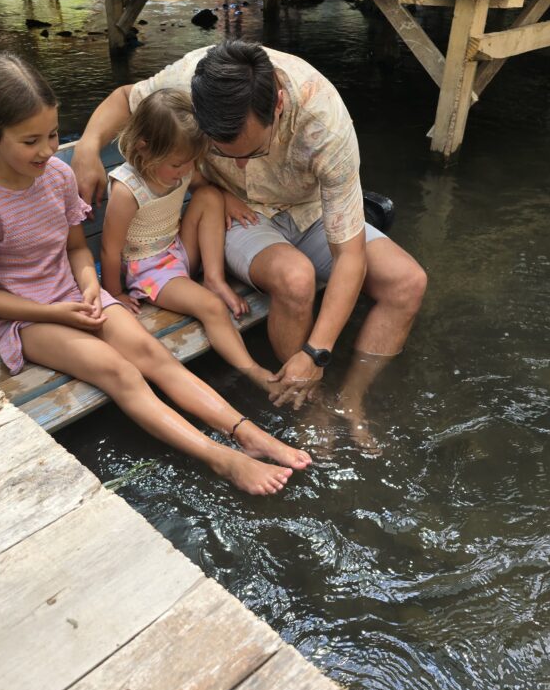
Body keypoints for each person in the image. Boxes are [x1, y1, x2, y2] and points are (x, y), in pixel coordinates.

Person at [0, 53, 311, 495]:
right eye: (30, 141)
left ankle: (244, 430)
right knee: (120, 372)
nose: (47, 150)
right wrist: (62, 311)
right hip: (26, 319)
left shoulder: (57, 176)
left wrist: (91, 284)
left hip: (78, 297)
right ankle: (223, 459)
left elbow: (78, 248)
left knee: (155, 355)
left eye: (54, 135)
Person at [72, 41, 427, 414]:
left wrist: (316, 352)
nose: (239, 166)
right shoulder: (192, 81)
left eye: (253, 152)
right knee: (296, 279)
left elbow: (349, 255)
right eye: (222, 151)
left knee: (407, 282)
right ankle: (307, 405)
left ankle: (354, 400)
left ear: (277, 105)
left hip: (309, 209)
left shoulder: (326, 125)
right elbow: (127, 97)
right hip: (238, 215)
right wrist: (87, 147)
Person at [101, 88, 274, 391]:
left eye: (191, 162)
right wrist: (114, 296)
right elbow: (109, 249)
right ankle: (253, 371)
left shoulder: (183, 168)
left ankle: (214, 278)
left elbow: (203, 187)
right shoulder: (127, 191)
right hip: (149, 269)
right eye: (178, 164)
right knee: (211, 307)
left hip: (176, 249)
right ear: (144, 148)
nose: (185, 171)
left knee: (209, 196)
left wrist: (226, 198)